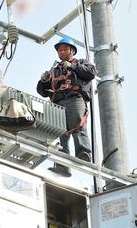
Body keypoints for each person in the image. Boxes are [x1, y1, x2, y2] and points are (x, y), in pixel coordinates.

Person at [37, 37, 96, 173]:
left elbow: (91, 73)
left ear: (72, 51)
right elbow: (42, 92)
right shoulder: (54, 69)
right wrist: (43, 80)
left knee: (77, 126)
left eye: (65, 49)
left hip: (74, 98)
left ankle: (83, 153)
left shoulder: (80, 63)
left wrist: (73, 67)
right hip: (57, 102)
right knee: (60, 133)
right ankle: (62, 164)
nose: (62, 52)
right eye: (60, 50)